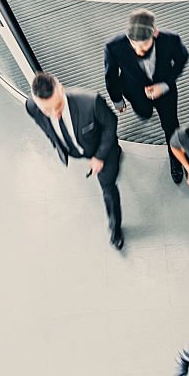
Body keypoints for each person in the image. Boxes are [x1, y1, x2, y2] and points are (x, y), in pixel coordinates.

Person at [25, 72, 124, 250]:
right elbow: (46, 127)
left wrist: (99, 157)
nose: (55, 114)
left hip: (100, 151)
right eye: (46, 110)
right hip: (73, 148)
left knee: (108, 188)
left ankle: (115, 228)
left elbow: (110, 124)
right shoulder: (31, 106)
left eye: (58, 106)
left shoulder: (91, 102)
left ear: (61, 89)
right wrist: (57, 145)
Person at [104, 9, 189, 184]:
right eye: (134, 44)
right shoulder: (113, 47)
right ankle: (145, 111)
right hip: (134, 91)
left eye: (144, 44)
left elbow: (182, 59)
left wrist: (165, 84)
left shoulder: (171, 40)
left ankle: (175, 158)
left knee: (171, 125)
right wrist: (117, 100)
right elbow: (111, 76)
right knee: (144, 113)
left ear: (155, 33)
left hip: (165, 92)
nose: (138, 49)